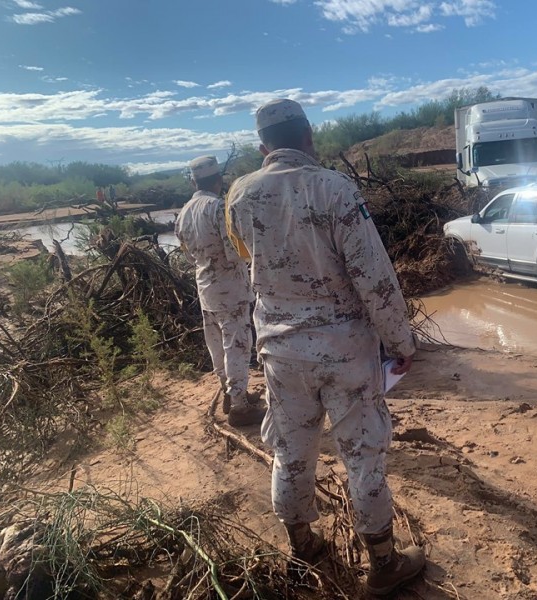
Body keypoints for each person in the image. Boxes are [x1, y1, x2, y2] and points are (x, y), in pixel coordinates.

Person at [226, 99, 425, 596]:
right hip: (345, 351)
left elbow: (249, 261)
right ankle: (383, 563)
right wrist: (401, 341)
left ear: (262, 148)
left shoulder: (238, 197)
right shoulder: (335, 189)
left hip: (279, 350)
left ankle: (303, 546)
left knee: (290, 452)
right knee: (363, 454)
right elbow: (374, 278)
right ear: (310, 136)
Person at [175, 155, 260, 427]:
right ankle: (239, 407)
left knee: (216, 345)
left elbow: (188, 255)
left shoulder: (184, 213)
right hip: (229, 287)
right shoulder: (217, 209)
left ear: (193, 181)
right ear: (218, 179)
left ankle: (229, 391)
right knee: (237, 345)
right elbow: (235, 252)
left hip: (204, 286)